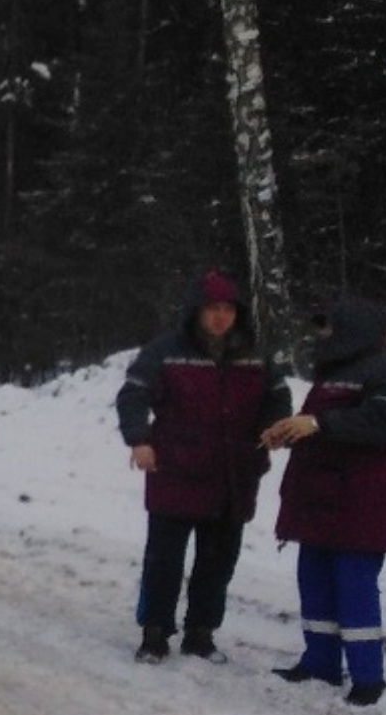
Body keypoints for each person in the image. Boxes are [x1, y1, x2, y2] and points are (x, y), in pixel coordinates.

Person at [114, 270, 290, 663]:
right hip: (176, 471)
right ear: (196, 312)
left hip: (234, 475)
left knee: (218, 561)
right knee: (164, 560)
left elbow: (278, 398)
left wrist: (272, 430)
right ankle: (154, 633)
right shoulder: (165, 351)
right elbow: (133, 395)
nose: (220, 317)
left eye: (227, 309)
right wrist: (139, 439)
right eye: (212, 309)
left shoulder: (256, 355)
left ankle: (201, 633)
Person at [261, 297, 386, 706]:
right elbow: (322, 429)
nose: (321, 335)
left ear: (353, 329)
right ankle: (320, 663)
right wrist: (289, 432)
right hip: (321, 498)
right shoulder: (332, 375)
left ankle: (368, 678)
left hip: (362, 500)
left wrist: (316, 423)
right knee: (314, 580)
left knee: (354, 585)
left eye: (327, 327)